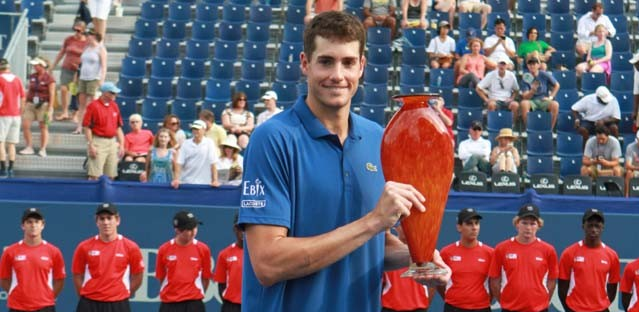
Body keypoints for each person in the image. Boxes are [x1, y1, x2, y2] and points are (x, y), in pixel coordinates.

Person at [238, 11, 450, 312]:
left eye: (348, 62)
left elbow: (370, 244)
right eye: (326, 61)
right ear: (304, 64)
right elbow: (268, 263)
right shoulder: (272, 139)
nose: (337, 75)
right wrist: (373, 222)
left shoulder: (378, 138)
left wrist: (418, 256)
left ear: (361, 66)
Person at [72, 203, 144, 311]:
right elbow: (77, 275)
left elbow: (138, 275)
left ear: (118, 220)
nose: (106, 223)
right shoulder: (84, 247)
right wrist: (86, 295)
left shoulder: (131, 247)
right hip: (89, 303)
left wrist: (123, 293)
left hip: (118, 304)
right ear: (97, 221)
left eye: (109, 218)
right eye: (102, 219)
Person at [489, 204, 559, 312]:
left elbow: (552, 281)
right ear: (517, 224)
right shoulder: (501, 248)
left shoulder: (548, 250)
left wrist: (542, 302)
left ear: (539, 225)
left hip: (539, 309)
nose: (528, 228)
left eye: (532, 223)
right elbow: (494, 281)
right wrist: (505, 302)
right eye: (524, 223)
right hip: (510, 309)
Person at [0, 207, 65, 312]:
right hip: (17, 307)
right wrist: (18, 295)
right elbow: (3, 280)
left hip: (45, 307)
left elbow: (60, 280)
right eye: (29, 222)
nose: (33, 225)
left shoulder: (54, 251)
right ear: (22, 226)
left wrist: (47, 297)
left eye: (36, 222)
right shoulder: (10, 251)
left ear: (42, 225)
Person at [558, 208, 620, 312]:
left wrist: (601, 305)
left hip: (601, 309)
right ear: (583, 226)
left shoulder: (611, 255)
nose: (593, 229)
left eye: (597, 226)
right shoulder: (569, 253)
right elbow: (562, 287)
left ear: (602, 228)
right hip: (575, 308)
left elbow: (613, 287)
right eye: (590, 225)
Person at [438, 208, 493, 312]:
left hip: (482, 308)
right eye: (469, 224)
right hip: (453, 307)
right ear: (459, 227)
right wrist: (451, 298)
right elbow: (440, 283)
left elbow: (493, 283)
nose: (474, 227)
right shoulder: (446, 252)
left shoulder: (490, 253)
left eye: (477, 223)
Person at [156, 210, 212, 312]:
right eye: (189, 229)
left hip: (194, 304)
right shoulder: (164, 249)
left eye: (195, 227)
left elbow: (206, 278)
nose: (194, 231)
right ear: (178, 230)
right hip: (170, 304)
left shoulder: (203, 249)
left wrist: (193, 294)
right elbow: (162, 277)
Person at [382, 226, 432, 312]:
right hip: (390, 308)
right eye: (403, 223)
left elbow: (433, 282)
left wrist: (426, 302)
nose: (407, 227)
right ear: (396, 227)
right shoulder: (386, 251)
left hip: (418, 308)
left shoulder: (425, 250)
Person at [83, 82, 125, 180]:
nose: (115, 95)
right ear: (105, 93)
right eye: (113, 93)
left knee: (111, 174)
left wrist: (122, 144)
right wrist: (91, 145)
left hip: (112, 141)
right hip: (98, 140)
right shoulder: (93, 106)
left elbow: (118, 127)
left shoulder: (114, 106)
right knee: (95, 174)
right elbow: (87, 127)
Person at [51, 19, 87, 121]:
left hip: (79, 70)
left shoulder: (86, 42)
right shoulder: (69, 39)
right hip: (67, 67)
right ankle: (65, 111)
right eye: (75, 30)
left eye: (79, 31)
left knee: (76, 92)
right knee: (63, 89)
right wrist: (53, 65)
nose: (77, 32)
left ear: (83, 30)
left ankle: (76, 113)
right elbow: (62, 52)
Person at [20, 56, 56, 158]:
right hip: (31, 104)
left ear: (42, 66)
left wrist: (50, 109)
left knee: (43, 127)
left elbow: (52, 94)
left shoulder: (50, 78)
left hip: (43, 105)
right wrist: (24, 104)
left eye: (36, 65)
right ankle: (29, 147)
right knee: (25, 125)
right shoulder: (32, 76)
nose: (34, 66)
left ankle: (43, 149)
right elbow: (29, 91)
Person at [74, 28, 107, 135]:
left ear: (93, 36)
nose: (86, 37)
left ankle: (93, 125)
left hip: (94, 78)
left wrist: (101, 79)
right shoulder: (86, 48)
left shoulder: (100, 49)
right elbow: (81, 64)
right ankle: (79, 126)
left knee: (93, 103)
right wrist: (77, 76)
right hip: (83, 77)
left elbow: (103, 66)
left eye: (88, 35)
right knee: (82, 104)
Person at [172, 120, 220, 188]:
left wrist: (215, 180)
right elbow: (179, 163)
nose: (195, 131)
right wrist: (176, 179)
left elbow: (213, 162)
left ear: (204, 130)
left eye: (197, 129)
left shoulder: (209, 143)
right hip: (186, 182)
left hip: (204, 183)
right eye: (194, 129)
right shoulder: (185, 143)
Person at [0, 59, 26, 179]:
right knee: (11, 144)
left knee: (1, 142)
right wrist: (20, 112)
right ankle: (11, 169)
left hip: (3, 115)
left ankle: (3, 169)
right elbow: (22, 97)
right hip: (16, 115)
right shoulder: (17, 79)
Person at [476, 54, 520, 125]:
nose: (502, 66)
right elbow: (478, 88)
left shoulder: (511, 75)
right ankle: (491, 125)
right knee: (491, 105)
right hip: (495, 99)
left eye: (504, 64)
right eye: (500, 64)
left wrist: (512, 98)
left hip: (507, 100)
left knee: (515, 105)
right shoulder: (491, 75)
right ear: (497, 64)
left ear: (507, 65)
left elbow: (516, 90)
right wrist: (486, 100)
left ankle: (512, 125)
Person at [520, 54, 560, 129]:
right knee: (524, 103)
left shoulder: (544, 74)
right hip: (531, 101)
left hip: (543, 99)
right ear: (528, 66)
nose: (532, 66)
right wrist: (532, 91)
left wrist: (550, 97)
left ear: (538, 65)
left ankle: (550, 129)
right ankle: (528, 128)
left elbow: (557, 85)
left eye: (534, 64)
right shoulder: (526, 77)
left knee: (555, 104)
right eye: (530, 64)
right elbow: (525, 96)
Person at [213, 214, 244, 312]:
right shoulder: (224, 254)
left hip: (254, 305)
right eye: (240, 228)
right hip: (231, 306)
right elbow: (221, 284)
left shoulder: (259, 253)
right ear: (235, 229)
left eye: (247, 229)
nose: (243, 232)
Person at [625, 131, 639, 197]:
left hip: (635, 168)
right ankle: (627, 195)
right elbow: (628, 165)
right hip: (634, 170)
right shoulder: (630, 147)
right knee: (629, 172)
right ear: (637, 139)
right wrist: (637, 168)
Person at [630, 51, 639, 133]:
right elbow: (636, 93)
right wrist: (635, 111)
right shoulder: (637, 74)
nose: (635, 65)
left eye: (636, 63)